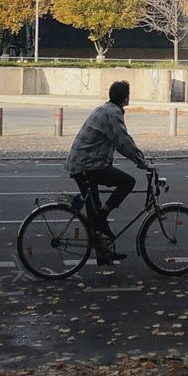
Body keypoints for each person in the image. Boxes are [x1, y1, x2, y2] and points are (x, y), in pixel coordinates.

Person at [67, 79, 151, 264]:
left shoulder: (105, 109)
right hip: (87, 166)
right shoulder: (112, 113)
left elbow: (115, 142)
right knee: (127, 182)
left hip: (83, 164)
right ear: (126, 98)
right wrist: (143, 163)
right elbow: (123, 141)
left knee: (94, 212)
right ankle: (102, 220)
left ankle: (103, 252)